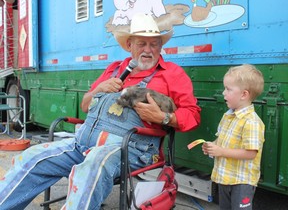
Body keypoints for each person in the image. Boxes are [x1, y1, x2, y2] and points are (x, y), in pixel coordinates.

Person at [0, 13, 200, 210]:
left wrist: (162, 117)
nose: (148, 50)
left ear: (160, 46)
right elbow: (86, 106)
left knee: (95, 163)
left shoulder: (172, 74)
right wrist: (98, 89)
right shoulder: (114, 69)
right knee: (32, 156)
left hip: (130, 150)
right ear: (129, 45)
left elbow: (192, 115)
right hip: (83, 144)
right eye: (141, 44)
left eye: (154, 44)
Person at [202, 64, 265, 210]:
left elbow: (251, 153)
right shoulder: (228, 115)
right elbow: (221, 139)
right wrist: (213, 146)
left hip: (241, 182)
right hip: (225, 178)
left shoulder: (252, 121)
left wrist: (221, 152)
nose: (223, 93)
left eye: (228, 89)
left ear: (244, 94)